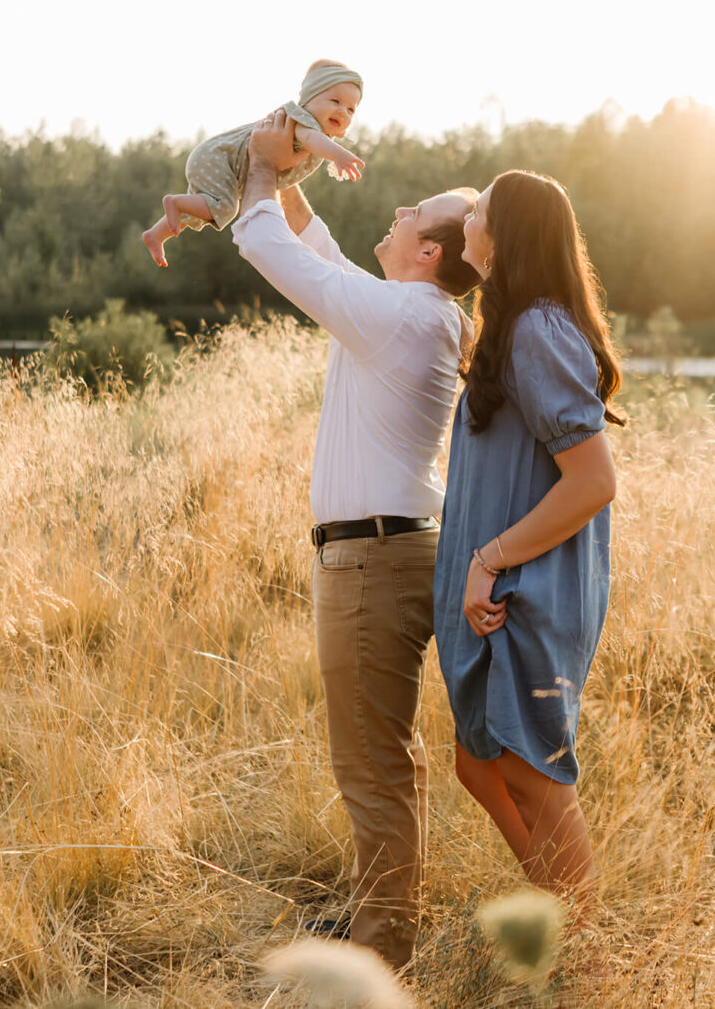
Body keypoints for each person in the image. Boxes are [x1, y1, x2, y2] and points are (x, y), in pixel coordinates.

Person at [231, 108, 480, 968]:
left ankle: (382, 956)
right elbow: (328, 257)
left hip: (371, 559)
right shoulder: (410, 311)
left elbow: (279, 257)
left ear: (431, 252)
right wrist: (294, 178)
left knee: (371, 768)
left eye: (416, 210)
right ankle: (383, 913)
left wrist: (261, 173)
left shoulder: (406, 318)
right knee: (387, 760)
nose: (400, 208)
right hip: (389, 546)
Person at [433, 169, 623, 890]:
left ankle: (585, 955)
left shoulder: (539, 329)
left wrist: (490, 558)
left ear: (505, 233)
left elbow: (594, 480)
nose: (465, 222)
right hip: (499, 593)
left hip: (524, 592)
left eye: (476, 210)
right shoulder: (510, 327)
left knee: (528, 771)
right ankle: (557, 909)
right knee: (478, 759)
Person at [142, 60, 367, 267]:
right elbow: (311, 139)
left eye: (351, 109)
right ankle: (175, 202)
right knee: (225, 209)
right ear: (309, 99)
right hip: (219, 159)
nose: (342, 111)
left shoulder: (314, 134)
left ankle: (156, 235)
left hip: (216, 161)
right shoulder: (304, 122)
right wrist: (339, 155)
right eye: (335, 101)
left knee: (204, 210)